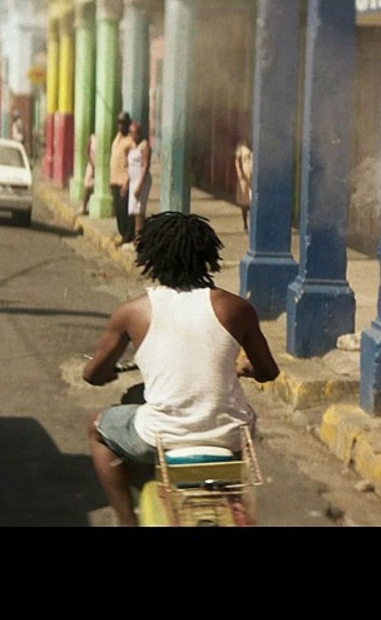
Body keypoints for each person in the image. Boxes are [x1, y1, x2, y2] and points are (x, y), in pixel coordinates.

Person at [82, 211, 280, 526]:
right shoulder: (236, 308)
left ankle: (126, 520)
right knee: (243, 418)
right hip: (229, 435)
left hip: (160, 437)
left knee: (98, 428)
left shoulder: (132, 313)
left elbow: (92, 375)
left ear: (151, 258)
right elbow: (268, 371)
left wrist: (106, 373)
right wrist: (246, 367)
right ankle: (230, 500)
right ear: (207, 256)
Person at [110, 112, 136, 244]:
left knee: (124, 210)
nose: (120, 125)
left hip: (124, 181)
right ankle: (122, 234)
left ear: (127, 124)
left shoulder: (130, 142)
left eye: (123, 123)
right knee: (118, 211)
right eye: (119, 122)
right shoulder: (118, 138)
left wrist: (127, 183)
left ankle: (127, 236)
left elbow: (133, 165)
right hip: (115, 180)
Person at [125, 122, 152, 241]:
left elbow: (146, 166)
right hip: (133, 180)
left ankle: (139, 239)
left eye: (135, 132)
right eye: (131, 133)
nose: (133, 135)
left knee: (139, 210)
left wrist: (139, 186)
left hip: (141, 180)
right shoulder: (133, 146)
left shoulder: (144, 145)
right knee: (134, 210)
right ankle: (139, 237)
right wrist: (127, 183)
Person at [235, 139, 254, 232]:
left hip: (254, 178)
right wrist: (239, 173)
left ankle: (253, 223)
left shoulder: (257, 145)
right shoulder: (241, 145)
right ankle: (245, 223)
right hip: (244, 178)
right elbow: (237, 160)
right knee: (244, 202)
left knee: (254, 200)